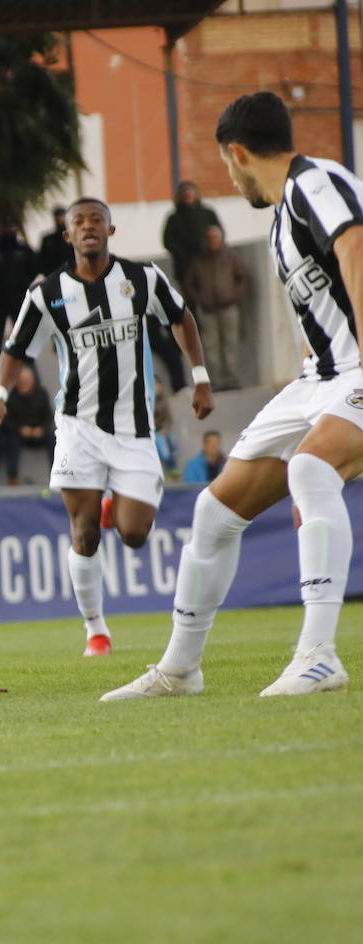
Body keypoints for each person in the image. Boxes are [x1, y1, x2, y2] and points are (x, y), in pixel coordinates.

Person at [106, 93, 363, 699]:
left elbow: (355, 245)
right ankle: (179, 669)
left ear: (238, 153)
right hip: (322, 377)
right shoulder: (283, 213)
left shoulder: (314, 183)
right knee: (213, 513)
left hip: (354, 371)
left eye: (227, 164)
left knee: (311, 469)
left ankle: (319, 655)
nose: (229, 175)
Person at [0, 196, 214, 658]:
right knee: (84, 533)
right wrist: (0, 395)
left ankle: (115, 507)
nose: (88, 227)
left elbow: (180, 317)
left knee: (133, 535)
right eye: (79, 222)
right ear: (66, 235)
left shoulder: (142, 278)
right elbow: (14, 350)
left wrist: (201, 377)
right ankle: (96, 630)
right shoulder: (47, 293)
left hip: (134, 429)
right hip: (78, 428)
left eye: (97, 220)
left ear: (110, 231)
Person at [182, 225, 250, 390]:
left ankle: (232, 379)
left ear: (222, 239)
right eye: (210, 238)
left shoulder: (231, 257)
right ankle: (217, 381)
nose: (213, 241)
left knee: (231, 344)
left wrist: (235, 294)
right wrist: (200, 299)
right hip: (208, 310)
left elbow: (243, 278)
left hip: (229, 308)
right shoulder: (198, 260)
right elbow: (188, 284)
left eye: (216, 238)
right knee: (211, 346)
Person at [0, 217, 38, 355]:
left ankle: (21, 350)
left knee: (19, 325)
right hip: (0, 296)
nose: (8, 231)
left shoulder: (23, 250)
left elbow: (34, 268)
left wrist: (22, 284)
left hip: (19, 295)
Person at [162, 180, 223, 286]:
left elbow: (219, 234)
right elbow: (168, 242)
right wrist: (183, 254)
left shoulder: (208, 213)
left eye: (191, 191)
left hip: (209, 265)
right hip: (185, 268)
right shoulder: (173, 218)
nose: (188, 195)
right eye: (184, 192)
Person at [6, 363, 55, 463]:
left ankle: (56, 472)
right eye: (23, 381)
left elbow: (48, 416)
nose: (26, 384)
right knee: (12, 441)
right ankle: (12, 476)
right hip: (19, 432)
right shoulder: (10, 396)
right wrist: (20, 429)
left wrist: (42, 429)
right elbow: (7, 420)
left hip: (38, 431)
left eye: (28, 381)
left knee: (54, 439)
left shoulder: (41, 393)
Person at [36, 206, 71, 276]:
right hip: (55, 276)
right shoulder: (48, 239)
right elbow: (42, 261)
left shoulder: (74, 236)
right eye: (58, 216)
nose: (60, 219)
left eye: (62, 216)